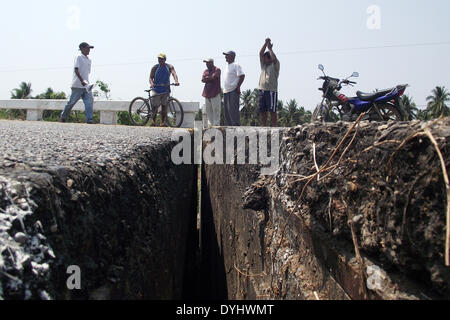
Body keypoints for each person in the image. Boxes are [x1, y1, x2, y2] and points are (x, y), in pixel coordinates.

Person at [60, 42, 95, 123]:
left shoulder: (89, 60)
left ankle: (89, 119)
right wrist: (81, 80)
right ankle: (63, 116)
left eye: (89, 48)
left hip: (86, 86)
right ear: (82, 49)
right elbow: (76, 70)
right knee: (71, 103)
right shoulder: (79, 57)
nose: (89, 50)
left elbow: (87, 73)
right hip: (77, 85)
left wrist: (86, 82)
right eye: (87, 48)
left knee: (89, 103)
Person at [149, 53, 180, 126]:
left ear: (165, 59)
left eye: (162, 59)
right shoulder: (155, 67)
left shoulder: (169, 67)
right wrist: (152, 83)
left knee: (164, 106)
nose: (160, 60)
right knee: (155, 106)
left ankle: (162, 123)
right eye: (159, 59)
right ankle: (153, 122)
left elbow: (174, 74)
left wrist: (176, 81)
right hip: (156, 89)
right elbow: (150, 77)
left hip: (165, 89)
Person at [258, 38, 280, 127]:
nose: (263, 60)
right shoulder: (263, 65)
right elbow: (260, 54)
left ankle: (274, 126)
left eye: (265, 58)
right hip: (261, 90)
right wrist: (265, 43)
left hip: (271, 90)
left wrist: (270, 49)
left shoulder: (275, 65)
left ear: (269, 58)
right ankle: (264, 126)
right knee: (262, 110)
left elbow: (274, 60)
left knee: (272, 110)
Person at [223, 51, 245, 126]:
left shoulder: (236, 65)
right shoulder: (227, 66)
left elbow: (242, 76)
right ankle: (230, 126)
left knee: (233, 109)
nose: (225, 57)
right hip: (226, 91)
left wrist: (238, 86)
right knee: (227, 111)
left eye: (227, 55)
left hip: (233, 90)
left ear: (232, 56)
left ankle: (236, 125)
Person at [201, 58, 221, 127]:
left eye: (207, 63)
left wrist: (208, 78)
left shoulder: (217, 69)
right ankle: (210, 125)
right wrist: (209, 78)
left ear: (212, 63)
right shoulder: (205, 71)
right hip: (207, 93)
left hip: (215, 92)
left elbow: (214, 77)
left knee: (216, 110)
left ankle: (216, 124)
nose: (206, 64)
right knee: (208, 111)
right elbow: (203, 79)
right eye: (206, 63)